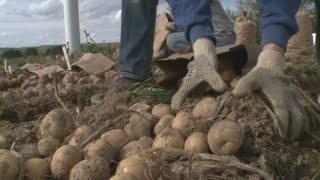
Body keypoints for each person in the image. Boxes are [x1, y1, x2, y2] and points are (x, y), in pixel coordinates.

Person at [91, 0, 308, 140]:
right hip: (209, 32)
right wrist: (202, 46)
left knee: (174, 39)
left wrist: (272, 56)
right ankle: (133, 73)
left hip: (223, 36)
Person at [154, 0, 236, 59]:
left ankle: (196, 52)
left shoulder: (195, 4)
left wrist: (168, 25)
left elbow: (189, 23)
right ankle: (164, 53)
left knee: (172, 39)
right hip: (226, 35)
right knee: (177, 39)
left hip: (222, 37)